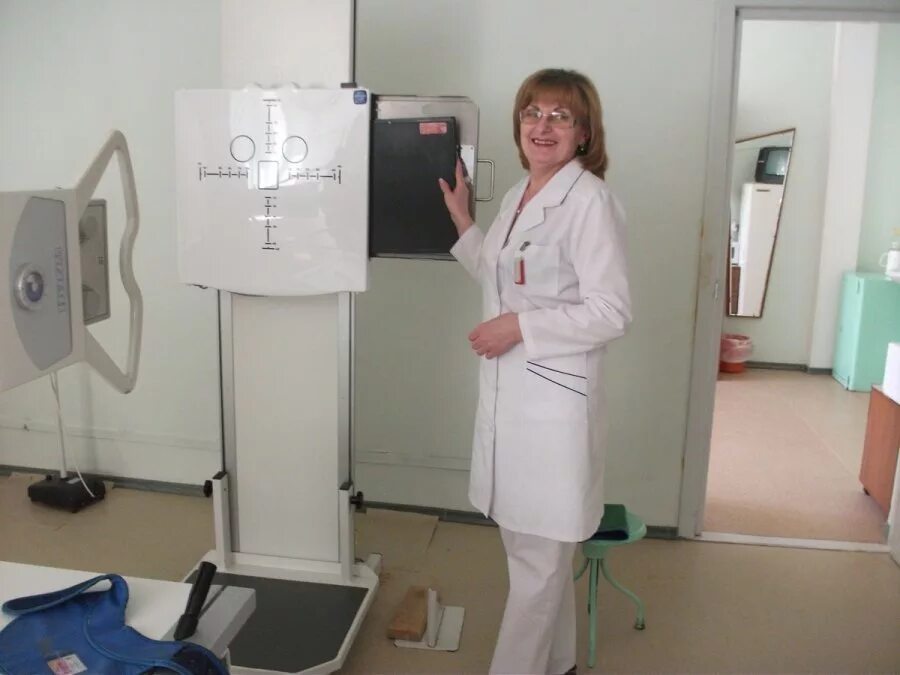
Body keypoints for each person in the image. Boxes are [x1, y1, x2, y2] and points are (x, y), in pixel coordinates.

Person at [438, 68, 632, 675]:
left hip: (553, 413)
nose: (542, 126)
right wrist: (464, 221)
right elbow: (502, 277)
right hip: (514, 401)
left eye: (560, 116)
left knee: (538, 566)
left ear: (584, 133)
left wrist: (520, 328)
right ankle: (561, 662)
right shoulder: (521, 195)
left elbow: (611, 311)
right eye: (532, 113)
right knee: (534, 556)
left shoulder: (590, 202)